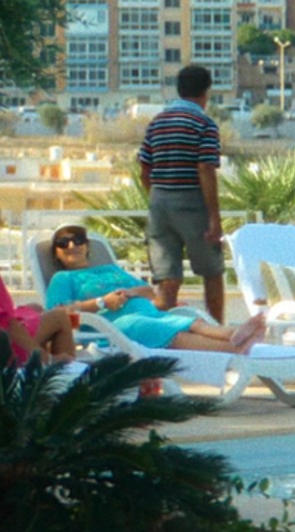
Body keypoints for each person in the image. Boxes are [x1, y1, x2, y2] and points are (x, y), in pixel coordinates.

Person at [44, 226, 263, 354]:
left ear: (87, 246)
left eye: (78, 240)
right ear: (56, 254)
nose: (72, 246)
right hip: (111, 328)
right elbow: (59, 318)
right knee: (151, 326)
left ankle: (233, 334)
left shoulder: (110, 269)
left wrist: (131, 294)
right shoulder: (62, 278)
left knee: (189, 317)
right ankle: (233, 348)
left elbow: (149, 292)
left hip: (148, 311)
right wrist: (102, 302)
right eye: (63, 243)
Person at [139, 64, 227, 321]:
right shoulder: (204, 124)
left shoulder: (157, 122)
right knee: (212, 270)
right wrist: (214, 216)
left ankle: (164, 333)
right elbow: (205, 169)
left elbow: (145, 168)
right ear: (206, 92)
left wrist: (156, 197)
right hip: (191, 202)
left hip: (159, 203)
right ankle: (218, 328)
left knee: (167, 278)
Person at [1, 274, 76, 365]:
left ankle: (38, 368)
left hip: (6, 331)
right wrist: (48, 358)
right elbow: (10, 327)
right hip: (6, 347)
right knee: (60, 317)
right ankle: (61, 370)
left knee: (35, 308)